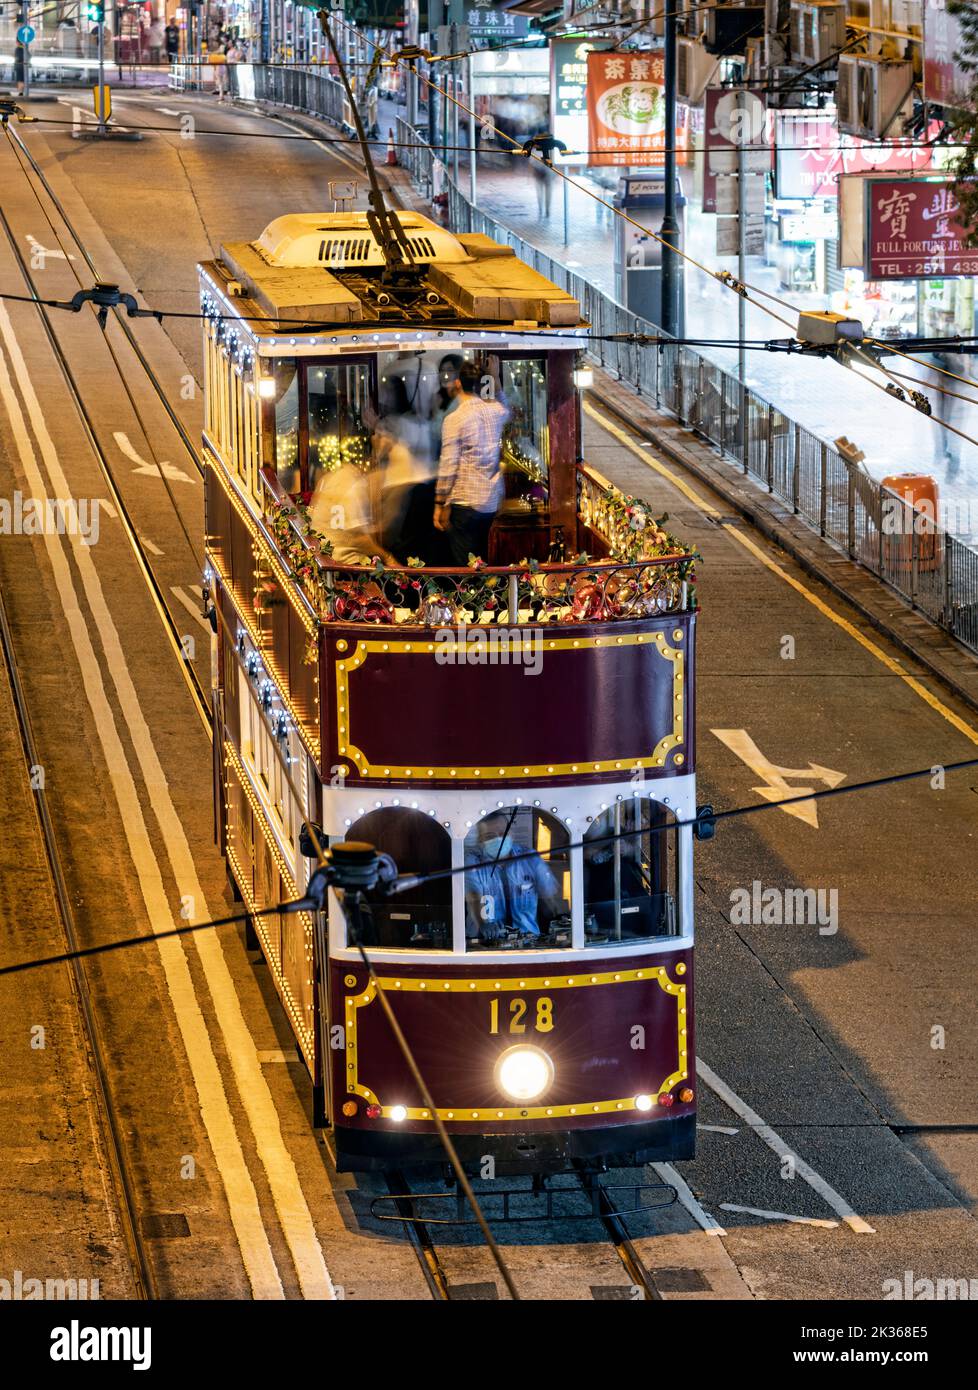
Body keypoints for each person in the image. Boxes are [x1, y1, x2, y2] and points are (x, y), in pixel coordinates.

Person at [434, 361, 508, 565]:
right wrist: (495, 377)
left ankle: (472, 596)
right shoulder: (495, 411)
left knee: (464, 565)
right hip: (490, 501)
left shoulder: (455, 419)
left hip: (465, 502)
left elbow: (449, 463)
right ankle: (485, 595)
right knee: (480, 559)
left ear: (458, 383)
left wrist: (440, 503)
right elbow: (504, 404)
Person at [464, 815, 564, 946]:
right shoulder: (473, 862)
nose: (498, 839)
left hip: (528, 943)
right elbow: (473, 896)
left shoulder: (530, 858)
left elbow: (550, 896)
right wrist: (483, 923)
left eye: (502, 833)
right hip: (485, 944)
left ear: (511, 833)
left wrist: (560, 920)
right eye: (490, 836)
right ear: (480, 839)